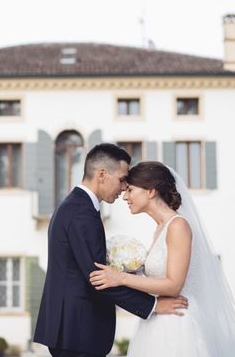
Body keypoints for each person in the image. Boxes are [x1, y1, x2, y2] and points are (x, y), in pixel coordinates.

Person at [33, 145, 189, 357]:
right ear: (102, 175)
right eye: (123, 179)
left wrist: (124, 276)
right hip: (79, 332)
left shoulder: (76, 206)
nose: (124, 188)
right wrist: (152, 305)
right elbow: (99, 278)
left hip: (73, 330)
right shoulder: (82, 213)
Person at [89, 161, 235, 356]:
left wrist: (120, 278)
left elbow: (174, 285)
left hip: (177, 322)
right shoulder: (160, 229)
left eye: (130, 190)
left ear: (150, 191)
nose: (125, 196)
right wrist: (132, 272)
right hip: (158, 320)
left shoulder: (178, 226)